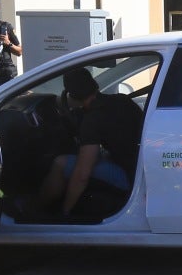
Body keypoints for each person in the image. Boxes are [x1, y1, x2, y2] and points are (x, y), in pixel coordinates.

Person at [35, 65, 144, 219]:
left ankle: (37, 210)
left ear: (71, 95)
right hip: (139, 170)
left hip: (127, 178)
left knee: (60, 163)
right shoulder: (122, 100)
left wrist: (65, 212)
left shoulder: (92, 120)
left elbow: (82, 174)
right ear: (94, 84)